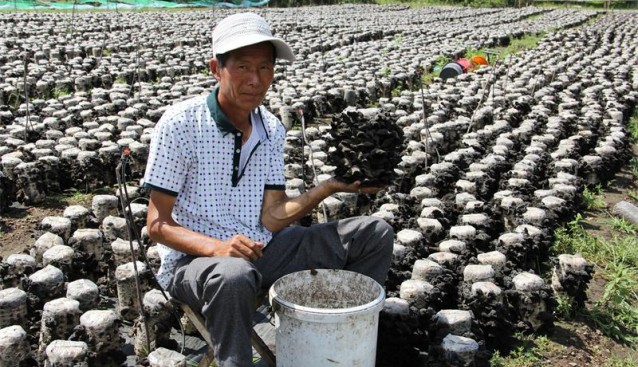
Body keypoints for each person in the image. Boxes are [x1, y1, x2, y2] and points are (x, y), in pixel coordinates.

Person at [143, 12, 394, 367]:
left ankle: (342, 341)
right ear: (216, 68)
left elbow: (273, 217)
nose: (255, 80)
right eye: (243, 67)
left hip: (263, 248)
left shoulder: (271, 129)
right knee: (234, 273)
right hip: (196, 263)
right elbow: (157, 225)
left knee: (374, 233)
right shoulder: (180, 124)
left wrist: (327, 188)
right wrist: (218, 248)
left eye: (265, 68)